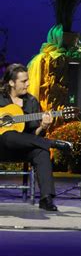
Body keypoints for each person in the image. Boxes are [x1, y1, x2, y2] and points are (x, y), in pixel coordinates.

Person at [0, 63, 72, 211]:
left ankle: (46, 198)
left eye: (28, 80)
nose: (28, 83)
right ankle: (50, 143)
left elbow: (34, 134)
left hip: (23, 147)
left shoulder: (31, 101)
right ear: (12, 83)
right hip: (2, 146)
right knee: (8, 136)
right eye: (23, 81)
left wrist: (43, 126)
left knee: (41, 151)